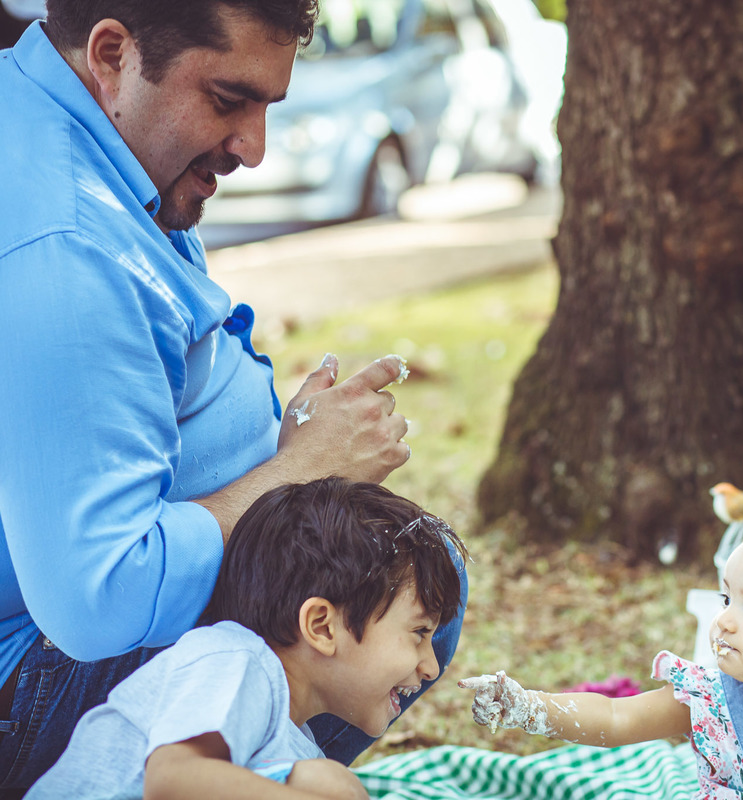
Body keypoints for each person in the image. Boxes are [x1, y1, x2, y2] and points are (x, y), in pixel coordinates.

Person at [0, 0, 467, 789]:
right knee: (394, 595)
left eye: (266, 106)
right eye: (227, 100)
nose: (253, 147)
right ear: (111, 54)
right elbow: (97, 602)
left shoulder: (78, 129)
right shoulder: (67, 250)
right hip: (32, 678)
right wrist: (301, 471)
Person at [28, 477, 468, 799]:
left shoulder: (297, 745)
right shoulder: (233, 662)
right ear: (321, 626)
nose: (430, 666)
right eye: (419, 632)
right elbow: (172, 781)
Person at [460, 498, 743, 800]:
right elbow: (615, 718)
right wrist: (528, 706)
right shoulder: (713, 700)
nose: (724, 619)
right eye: (728, 599)